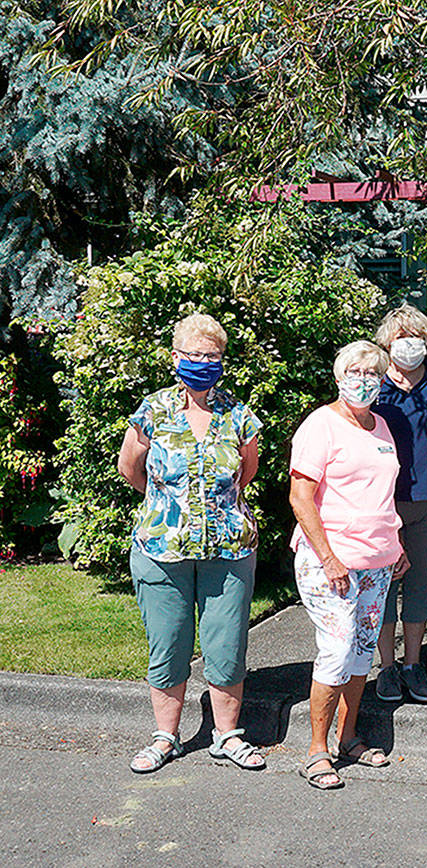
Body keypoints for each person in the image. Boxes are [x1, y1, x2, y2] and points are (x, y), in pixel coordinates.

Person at [116, 312, 266, 774]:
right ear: (176, 357)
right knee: (169, 644)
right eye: (194, 354)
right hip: (162, 551)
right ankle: (166, 737)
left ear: (223, 360)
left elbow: (248, 471)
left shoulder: (238, 414)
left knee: (226, 645)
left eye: (212, 355)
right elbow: (130, 470)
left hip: (228, 550)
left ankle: (227, 736)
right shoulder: (153, 411)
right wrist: (169, 509)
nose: (203, 362)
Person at [288, 340, 410, 789]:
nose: (363, 380)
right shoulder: (320, 425)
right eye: (355, 372)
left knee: (362, 653)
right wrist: (329, 557)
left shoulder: (381, 427)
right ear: (339, 377)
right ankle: (317, 751)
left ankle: (348, 737)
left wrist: (396, 545)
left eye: (372, 373)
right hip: (330, 562)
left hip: (377, 562)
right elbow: (301, 497)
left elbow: (381, 496)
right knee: (337, 652)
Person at [371, 304, 427, 704]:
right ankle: (386, 667)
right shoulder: (372, 385)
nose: (409, 345)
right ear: (387, 344)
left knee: (420, 582)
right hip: (379, 501)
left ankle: (412, 663)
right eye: (401, 338)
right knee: (384, 586)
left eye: (416, 337)